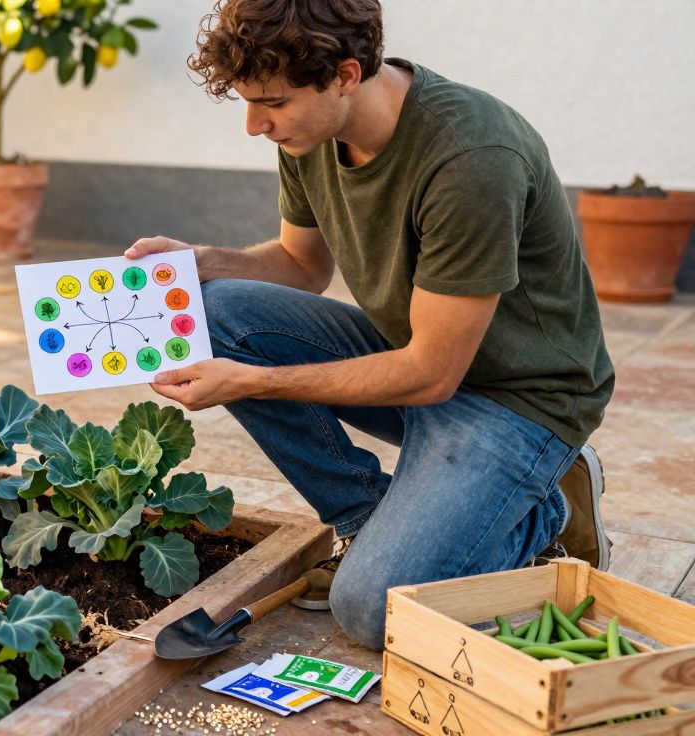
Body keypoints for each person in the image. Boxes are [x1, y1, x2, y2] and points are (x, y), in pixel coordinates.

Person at [125, 0, 614, 651]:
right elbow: (301, 265)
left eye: (270, 102)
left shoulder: (471, 157)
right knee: (216, 309)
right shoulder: (310, 131)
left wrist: (252, 383)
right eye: (246, 102)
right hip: (420, 352)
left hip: (519, 398)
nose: (253, 125)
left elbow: (431, 375)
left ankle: (545, 507)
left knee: (371, 611)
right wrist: (202, 261)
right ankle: (367, 515)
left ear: (346, 75)